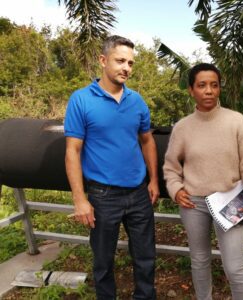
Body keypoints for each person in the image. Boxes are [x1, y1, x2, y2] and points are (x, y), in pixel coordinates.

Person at [64, 35, 159, 300]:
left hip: (139, 193)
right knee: (103, 261)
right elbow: (73, 150)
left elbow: (148, 141)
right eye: (120, 61)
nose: (126, 67)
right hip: (103, 196)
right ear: (103, 60)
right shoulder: (81, 100)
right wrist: (79, 198)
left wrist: (154, 181)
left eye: (130, 62)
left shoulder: (137, 101)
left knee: (146, 258)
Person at [163, 63, 243, 300]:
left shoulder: (236, 121)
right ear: (191, 90)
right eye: (202, 85)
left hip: (231, 203)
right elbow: (171, 166)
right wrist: (175, 189)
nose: (208, 90)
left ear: (219, 89)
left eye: (214, 85)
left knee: (235, 266)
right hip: (194, 204)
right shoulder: (182, 127)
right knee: (199, 261)